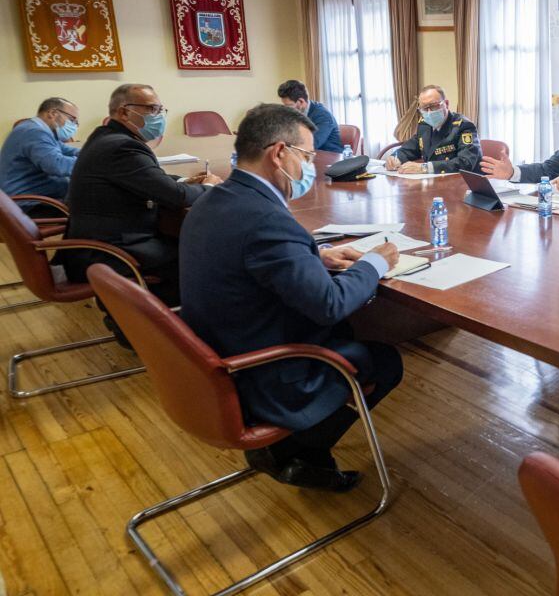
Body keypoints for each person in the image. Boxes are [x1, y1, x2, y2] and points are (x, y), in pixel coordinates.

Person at [180, 103, 402, 492]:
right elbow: (329, 304)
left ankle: (296, 448)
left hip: (215, 353)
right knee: (384, 361)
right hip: (260, 373)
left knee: (346, 330)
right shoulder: (267, 219)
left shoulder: (215, 199)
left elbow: (244, 256)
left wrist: (311, 256)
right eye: (308, 156)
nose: (311, 167)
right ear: (279, 153)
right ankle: (296, 451)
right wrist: (374, 263)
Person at [60, 84, 221, 306]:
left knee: (189, 242)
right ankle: (162, 321)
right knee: (207, 257)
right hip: (111, 252)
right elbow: (177, 197)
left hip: (100, 240)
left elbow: (147, 179)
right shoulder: (122, 148)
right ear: (124, 112)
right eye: (152, 109)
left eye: (160, 110)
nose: (159, 117)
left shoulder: (107, 136)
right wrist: (211, 186)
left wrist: (185, 180)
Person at [0, 98, 81, 216]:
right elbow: (57, 165)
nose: (74, 125)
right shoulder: (34, 132)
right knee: (92, 206)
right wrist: (88, 163)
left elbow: (66, 150)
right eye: (72, 119)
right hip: (28, 204)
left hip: (38, 197)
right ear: (53, 113)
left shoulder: (38, 129)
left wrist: (91, 153)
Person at [384, 85, 481, 174]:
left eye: (434, 106)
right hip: (434, 183)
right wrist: (395, 158)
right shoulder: (424, 125)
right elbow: (410, 149)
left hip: (461, 185)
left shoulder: (463, 126)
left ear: (446, 104)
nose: (429, 112)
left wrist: (424, 168)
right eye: (424, 108)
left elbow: (466, 162)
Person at [277, 79, 344, 153]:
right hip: (309, 156)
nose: (286, 109)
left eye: (289, 106)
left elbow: (311, 145)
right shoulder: (296, 113)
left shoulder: (323, 116)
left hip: (330, 158)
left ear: (301, 102)